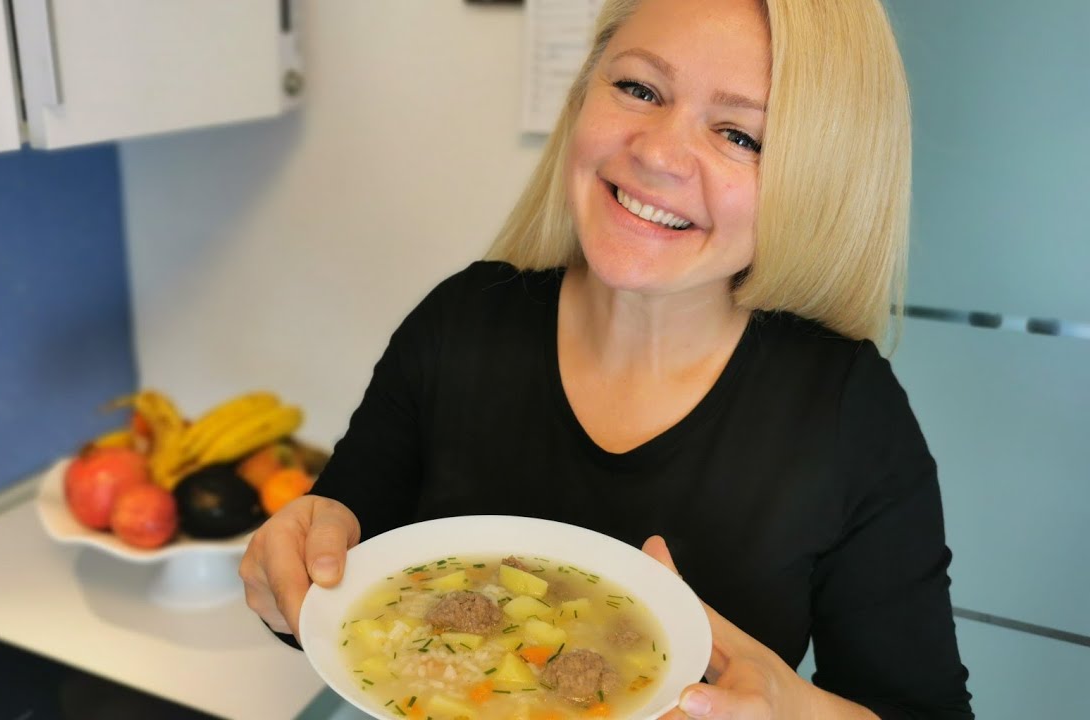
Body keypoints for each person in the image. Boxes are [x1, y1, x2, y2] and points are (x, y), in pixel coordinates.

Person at [240, 0, 974, 717]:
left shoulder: (848, 410)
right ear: (584, 92)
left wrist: (796, 710)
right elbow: (333, 590)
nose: (656, 152)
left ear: (818, 178)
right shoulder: (460, 321)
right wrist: (294, 568)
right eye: (639, 88)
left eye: (740, 135)